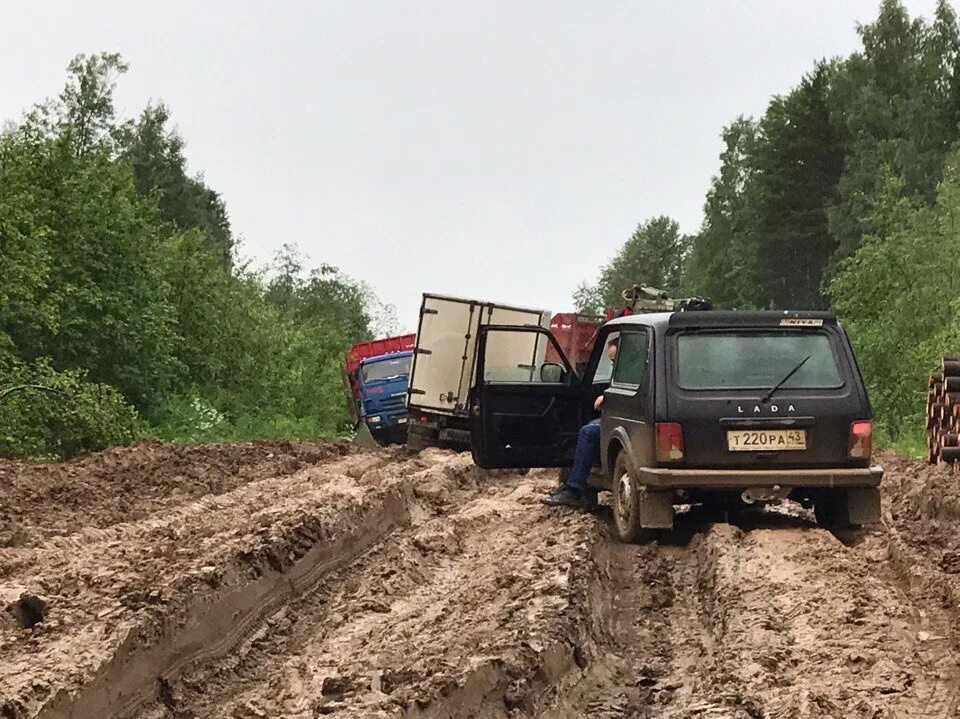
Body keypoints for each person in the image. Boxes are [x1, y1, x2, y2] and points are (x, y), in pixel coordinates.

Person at [542, 336, 618, 509]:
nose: (613, 365)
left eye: (615, 361)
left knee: (588, 432)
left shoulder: (632, 371)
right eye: (612, 362)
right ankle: (573, 486)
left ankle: (574, 490)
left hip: (625, 419)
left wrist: (607, 396)